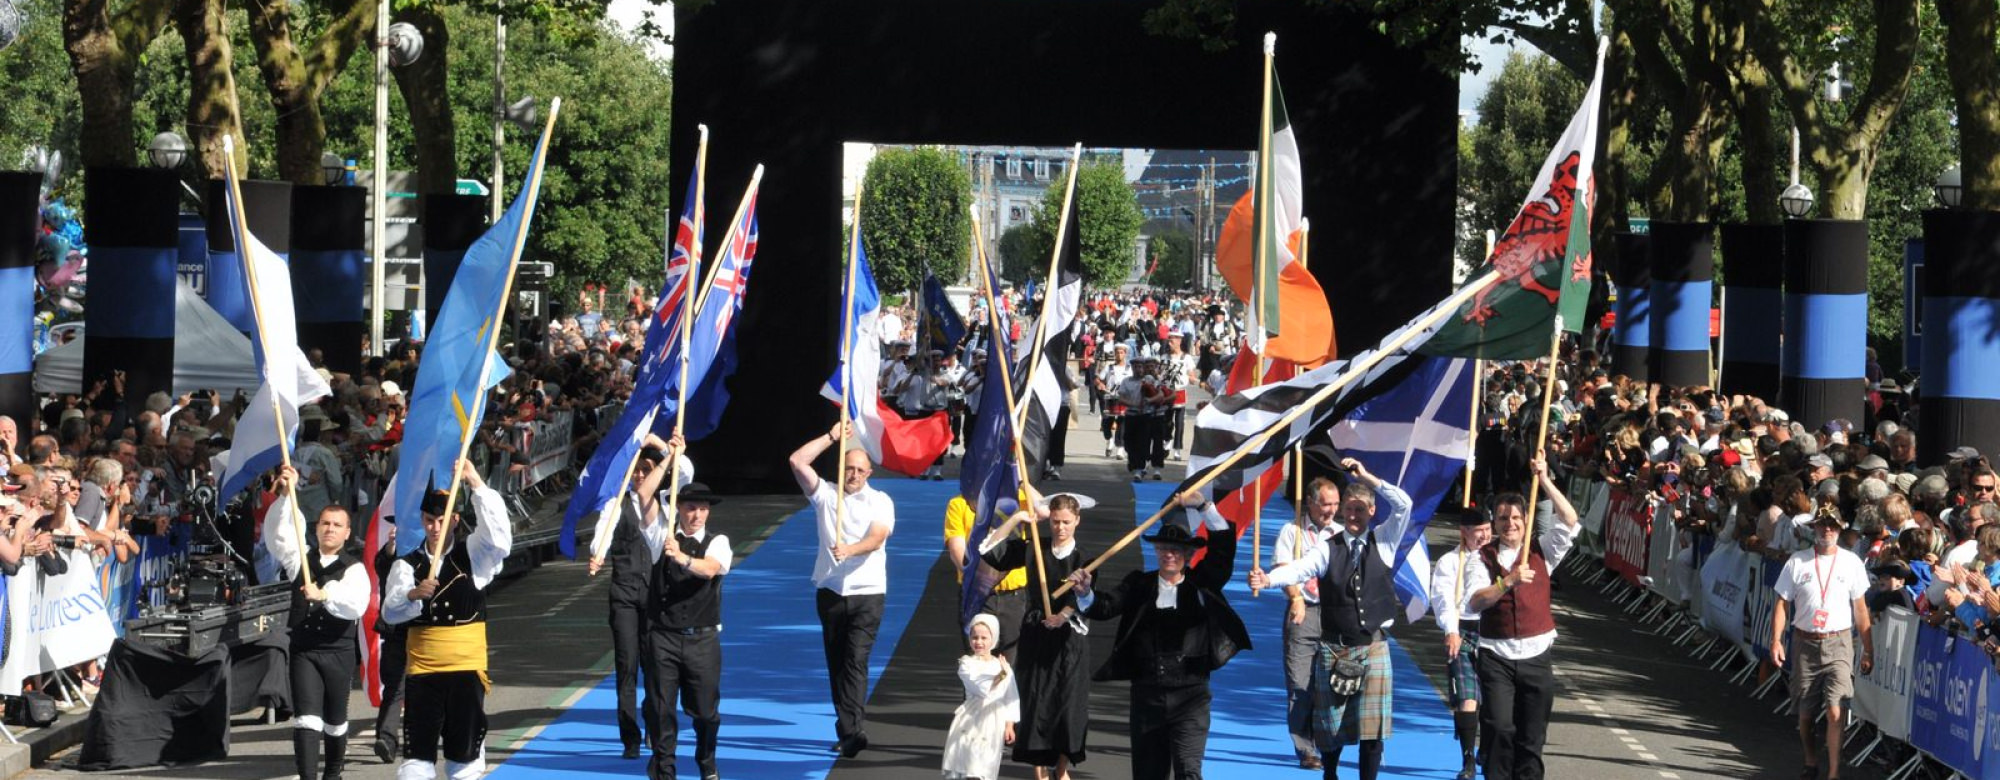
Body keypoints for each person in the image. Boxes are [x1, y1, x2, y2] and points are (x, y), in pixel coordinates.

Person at [1249, 458, 1415, 780]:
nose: (1353, 516)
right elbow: (1300, 568)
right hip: (1335, 647)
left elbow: (1404, 505)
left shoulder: (1385, 541)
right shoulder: (1328, 548)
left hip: (1374, 646)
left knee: (1372, 729)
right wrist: (1269, 579)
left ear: (1370, 512)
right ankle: (1331, 774)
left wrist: (1368, 476)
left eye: (1359, 510)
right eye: (1348, 510)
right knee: (1330, 724)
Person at [1069, 490, 1247, 780]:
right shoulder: (1139, 584)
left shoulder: (1202, 583)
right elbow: (1103, 607)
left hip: (1192, 697)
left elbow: (1223, 548)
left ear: (1188, 554)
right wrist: (1085, 592)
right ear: (1156, 551)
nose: (1169, 555)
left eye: (1176, 550)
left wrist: (1203, 506)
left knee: (1189, 771)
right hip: (1147, 697)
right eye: (1164, 548)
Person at [381, 459, 513, 780]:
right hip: (423, 672)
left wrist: (476, 483)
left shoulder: (474, 554)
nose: (435, 528)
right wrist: (413, 596)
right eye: (429, 520)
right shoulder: (407, 564)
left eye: (442, 520)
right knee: (417, 757)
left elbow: (500, 540)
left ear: (454, 520)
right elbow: (389, 611)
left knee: (464, 756)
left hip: (466, 671)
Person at [1461, 458, 1580, 780]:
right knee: (1499, 728)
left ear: (1526, 521)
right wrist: (1507, 581)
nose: (1509, 523)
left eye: (1515, 517)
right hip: (1496, 657)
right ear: (1494, 523)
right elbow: (1474, 602)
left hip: (1536, 657)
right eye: (1502, 518)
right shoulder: (1480, 559)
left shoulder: (1542, 551)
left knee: (1531, 739)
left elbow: (1569, 519)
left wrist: (1545, 480)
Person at [788, 421, 897, 758]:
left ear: (869, 473)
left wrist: (850, 549)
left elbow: (878, 537)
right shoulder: (825, 496)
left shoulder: (880, 501)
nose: (853, 474)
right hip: (832, 591)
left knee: (855, 661)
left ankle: (854, 730)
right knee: (836, 663)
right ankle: (846, 726)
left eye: (859, 470)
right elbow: (796, 461)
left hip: (868, 592)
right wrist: (832, 436)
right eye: (848, 468)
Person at [588, 433, 692, 760]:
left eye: (644, 471)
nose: (639, 477)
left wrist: (664, 446)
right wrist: (598, 553)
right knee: (627, 665)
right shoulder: (615, 504)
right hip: (624, 596)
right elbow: (601, 536)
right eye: (635, 472)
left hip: (656, 596)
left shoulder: (665, 502)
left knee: (656, 666)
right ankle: (629, 737)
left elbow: (686, 471)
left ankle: (652, 724)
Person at [979, 493, 1096, 780]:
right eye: (1055, 522)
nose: (1060, 528)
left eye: (1066, 522)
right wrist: (1018, 519)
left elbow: (1086, 601)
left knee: (1067, 705)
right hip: (1036, 632)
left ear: (1077, 521)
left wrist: (1064, 615)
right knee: (1036, 700)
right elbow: (990, 551)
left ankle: (1061, 769)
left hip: (1069, 640)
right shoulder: (1034, 547)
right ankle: (1039, 772)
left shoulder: (1086, 560)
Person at [267, 466, 372, 780]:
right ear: (317, 528)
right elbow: (278, 533)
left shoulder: (354, 569)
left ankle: (333, 772)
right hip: (304, 651)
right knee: (306, 719)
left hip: (338, 652)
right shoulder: (300, 558)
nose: (330, 529)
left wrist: (325, 594)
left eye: (337, 525)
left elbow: (356, 606)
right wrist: (287, 495)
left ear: (346, 532)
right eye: (325, 523)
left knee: (335, 720)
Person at [1770, 506, 1873, 780]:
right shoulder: (1798, 561)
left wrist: (1868, 648)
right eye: (1822, 525)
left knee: (1836, 708)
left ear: (1840, 529)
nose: (1827, 530)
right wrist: (1776, 641)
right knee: (1805, 715)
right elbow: (1781, 604)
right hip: (1805, 643)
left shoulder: (1851, 562)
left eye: (1833, 526)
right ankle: (1811, 759)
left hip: (1839, 642)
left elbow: (1861, 609)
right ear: (1813, 529)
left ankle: (1834, 773)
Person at [645, 481, 734, 780]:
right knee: (661, 709)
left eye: (703, 508)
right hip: (663, 637)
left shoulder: (718, 541)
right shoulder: (660, 536)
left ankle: (706, 761)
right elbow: (645, 495)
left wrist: (680, 556)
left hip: (703, 639)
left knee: (706, 713)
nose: (697, 514)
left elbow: (710, 569)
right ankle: (664, 768)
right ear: (678, 509)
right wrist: (667, 453)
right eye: (691, 507)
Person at [1271, 478, 1336, 770]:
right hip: (1304, 611)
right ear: (1310, 502)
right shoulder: (1292, 531)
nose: (1331, 510)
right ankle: (1305, 749)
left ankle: (1328, 742)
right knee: (1300, 684)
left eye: (1335, 504)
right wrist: (1295, 597)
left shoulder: (1343, 532)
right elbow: (1282, 568)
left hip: (1336, 614)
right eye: (1325, 504)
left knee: (1333, 684)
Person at [1429, 508, 1494, 780]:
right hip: (1463, 632)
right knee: (1467, 698)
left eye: (1488, 530)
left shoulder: (1499, 559)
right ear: (1464, 532)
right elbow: (1443, 599)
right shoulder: (1449, 562)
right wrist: (1451, 630)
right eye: (1478, 532)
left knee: (1494, 702)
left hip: (1493, 633)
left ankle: (1487, 750)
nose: (1485, 537)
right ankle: (1468, 759)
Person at [945, 493, 1028, 661]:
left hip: (1013, 596)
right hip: (977, 593)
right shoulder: (959, 503)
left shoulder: (1020, 497)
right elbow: (956, 548)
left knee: (1011, 662)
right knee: (977, 660)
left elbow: (1044, 511)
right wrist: (977, 577)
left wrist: (1019, 476)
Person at [942, 614, 1020, 780]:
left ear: (994, 639)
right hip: (971, 718)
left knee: (985, 764)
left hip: (993, 721)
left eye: (984, 637)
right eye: (974, 637)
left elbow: (1011, 696)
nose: (979, 642)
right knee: (969, 762)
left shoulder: (1002, 665)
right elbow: (980, 688)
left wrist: (1009, 724)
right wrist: (1000, 676)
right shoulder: (966, 664)